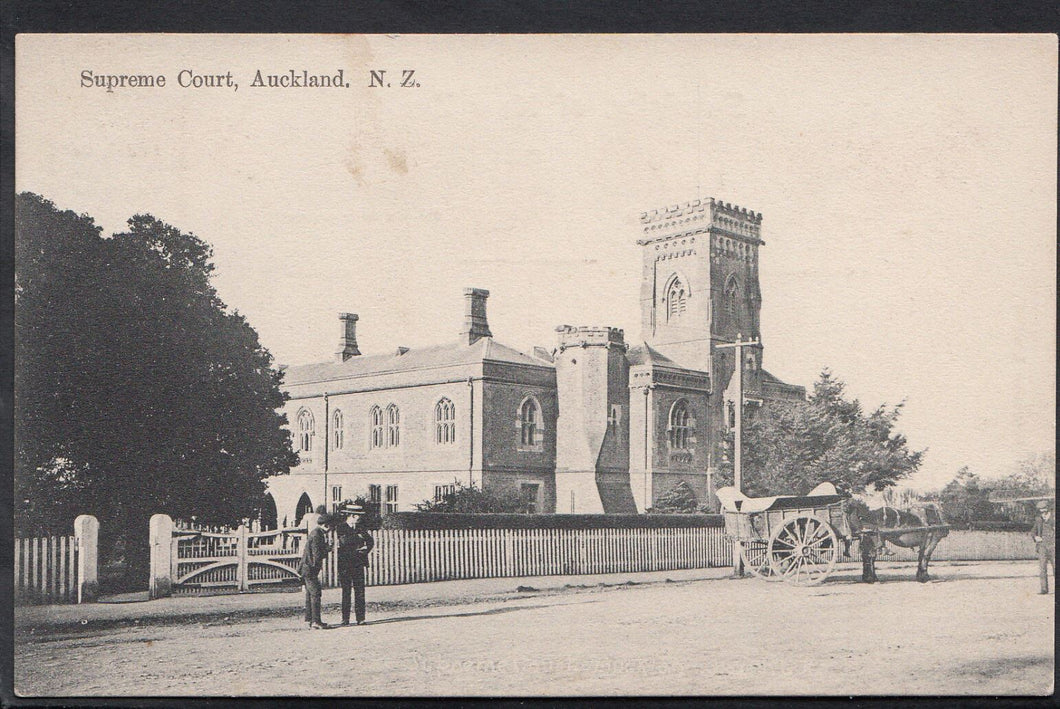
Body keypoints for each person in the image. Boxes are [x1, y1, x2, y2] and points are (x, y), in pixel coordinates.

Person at [335, 502, 374, 626]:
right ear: (351, 515)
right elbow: (345, 541)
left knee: (360, 591)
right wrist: (359, 539)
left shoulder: (361, 528)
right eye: (357, 516)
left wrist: (364, 550)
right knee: (346, 592)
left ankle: (360, 618)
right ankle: (345, 619)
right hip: (345, 564)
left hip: (358, 563)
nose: (359, 518)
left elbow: (370, 541)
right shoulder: (341, 527)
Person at [297, 508, 331, 628]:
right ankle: (316, 621)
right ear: (326, 525)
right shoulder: (318, 534)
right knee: (316, 593)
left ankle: (310, 620)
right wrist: (327, 550)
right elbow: (316, 554)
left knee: (310, 594)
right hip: (310, 568)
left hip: (307, 568)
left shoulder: (315, 532)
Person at [1031, 499, 1054, 595]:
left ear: (1049, 510)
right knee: (1042, 569)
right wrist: (1036, 537)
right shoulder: (1038, 519)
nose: (1043, 514)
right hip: (1042, 547)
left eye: (1045, 512)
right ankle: (1044, 589)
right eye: (1041, 512)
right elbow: (1033, 531)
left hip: (1054, 546)